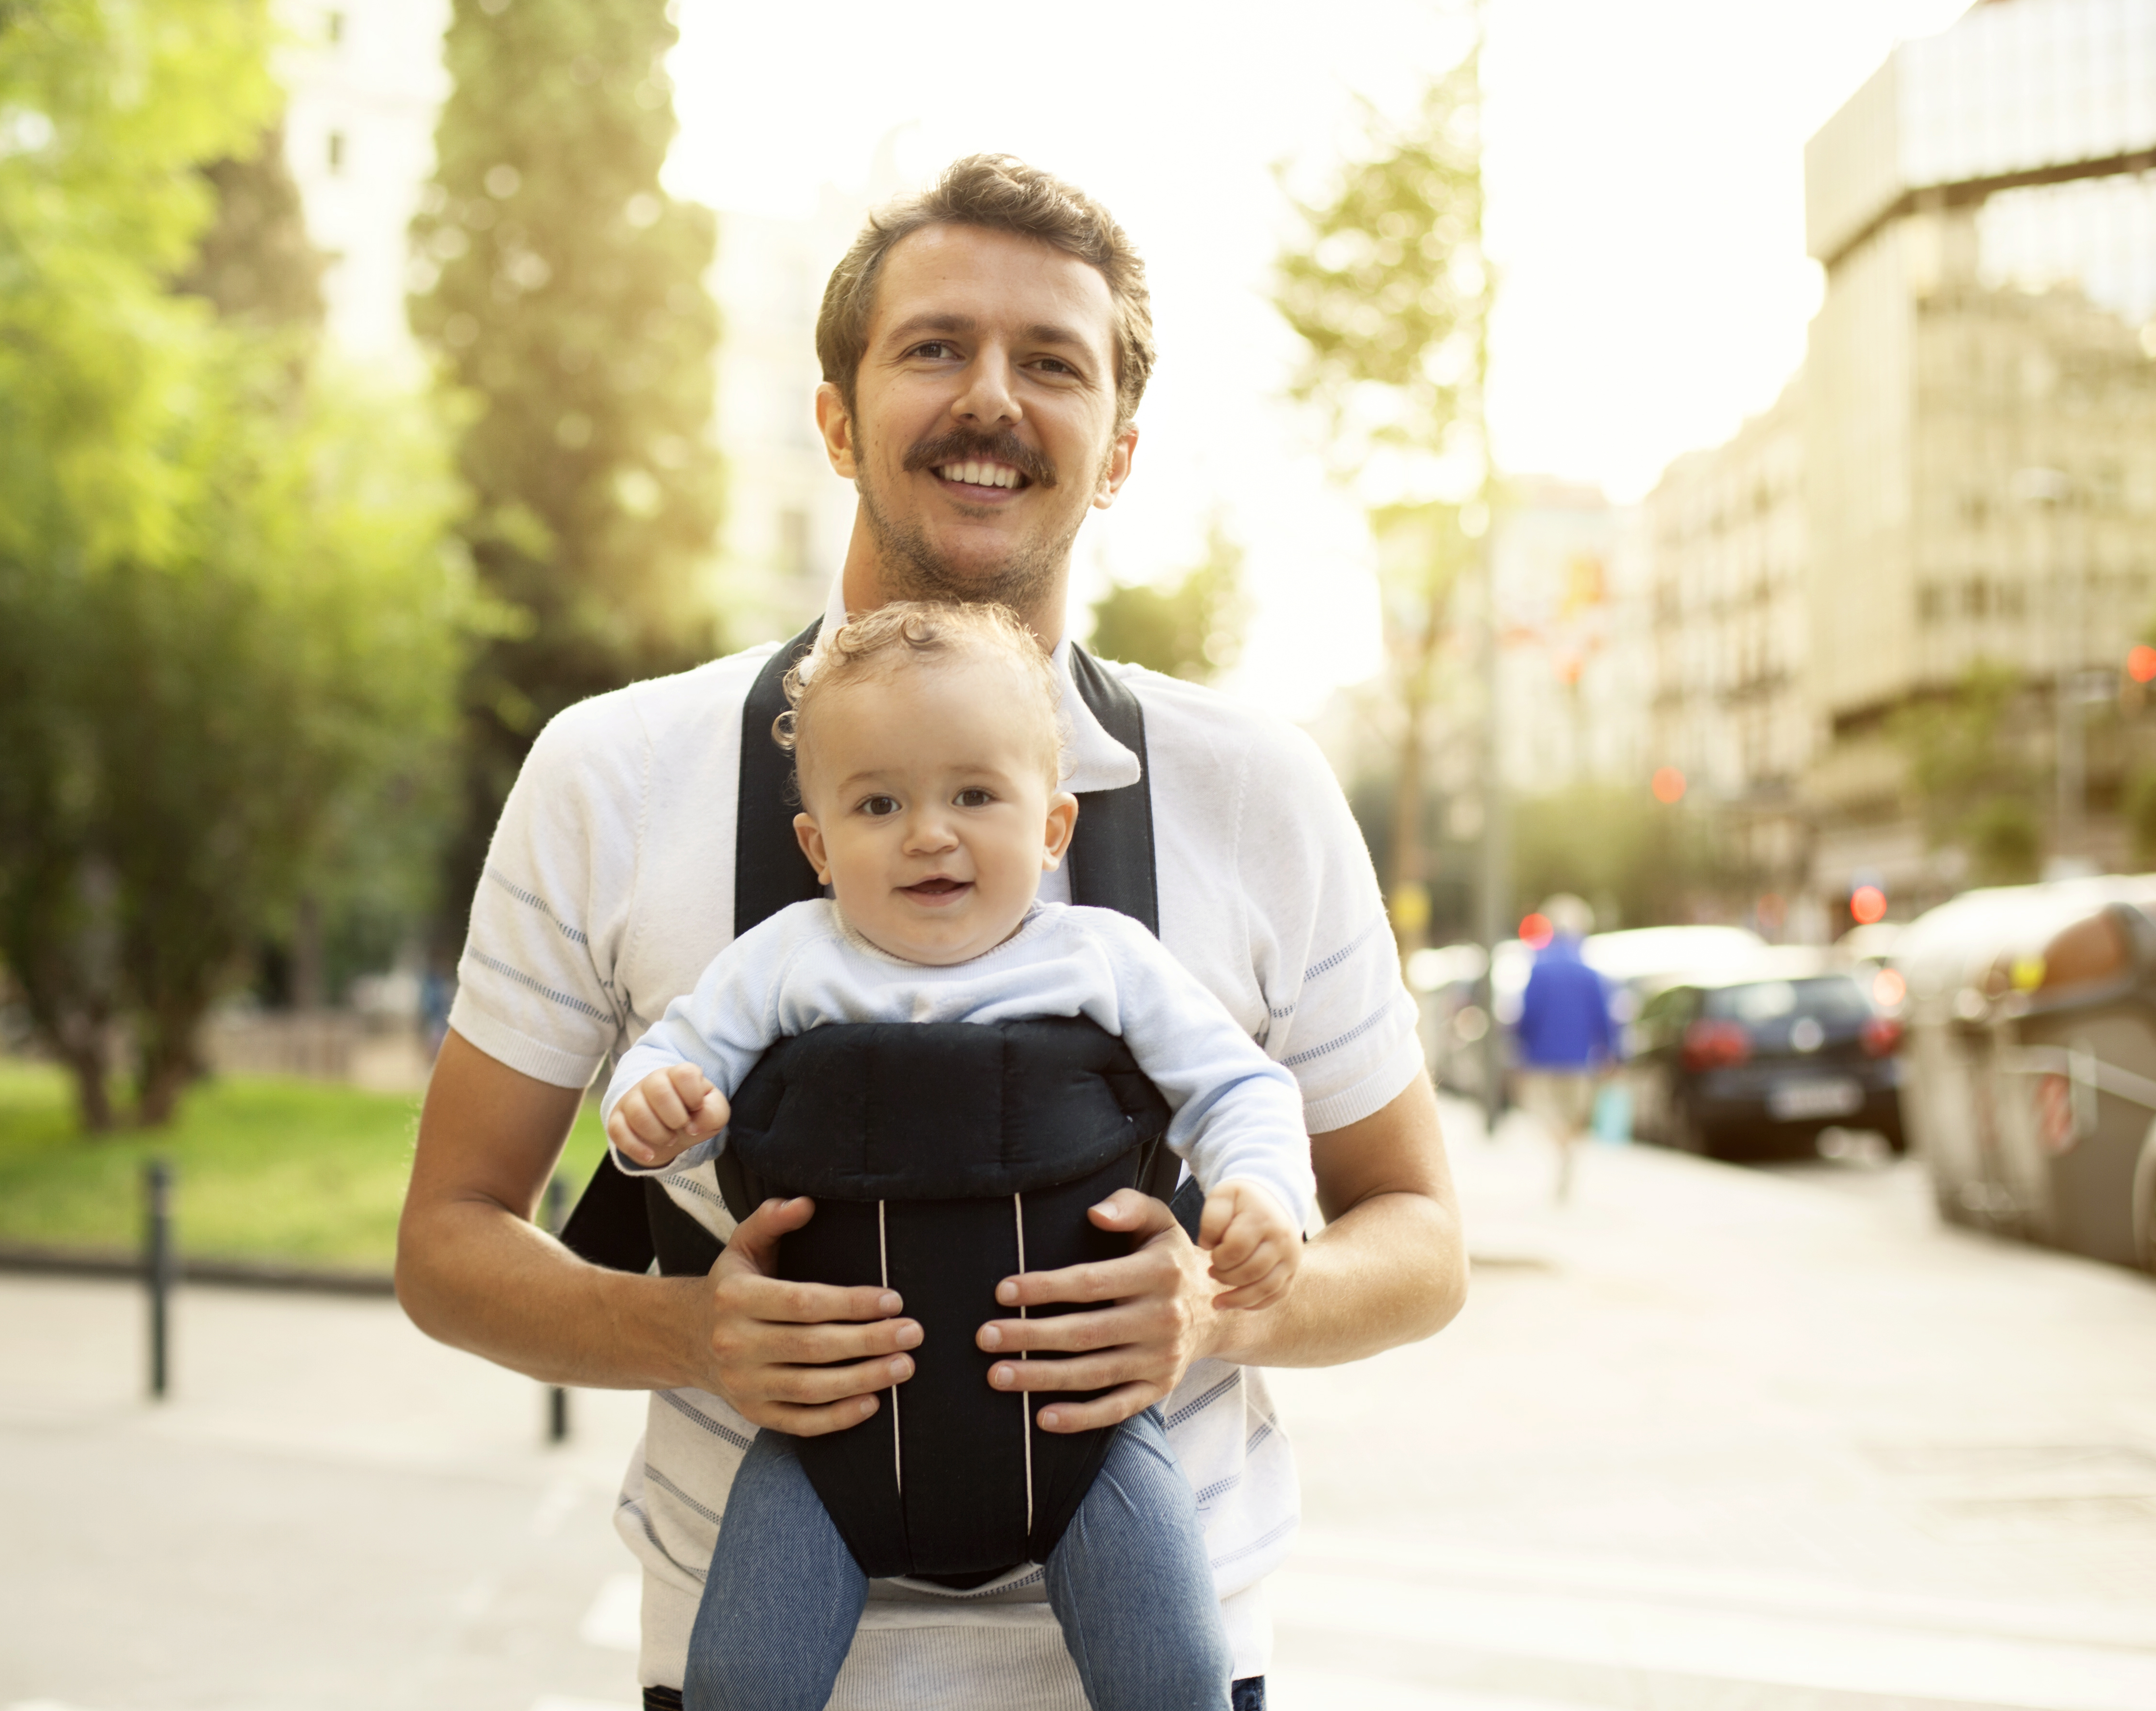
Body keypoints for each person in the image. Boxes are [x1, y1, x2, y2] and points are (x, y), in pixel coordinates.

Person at [395, 154, 1467, 1711]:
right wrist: (696, 1331)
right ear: (832, 419)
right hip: (750, 1651)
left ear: (1115, 451)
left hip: (1167, 1653)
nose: (990, 398)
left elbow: (1419, 1242)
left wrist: (1227, 1299)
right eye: (931, 347)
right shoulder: (613, 771)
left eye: (1051, 363)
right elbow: (447, 1244)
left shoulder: (1255, 788)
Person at [605, 599, 1313, 1711]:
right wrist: (651, 1110)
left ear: (1052, 826)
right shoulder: (785, 961)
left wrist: (1261, 1193)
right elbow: (670, 1058)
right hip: (826, 1432)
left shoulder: (1106, 960)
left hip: (1080, 1432)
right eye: (878, 802)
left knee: (1179, 1678)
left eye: (974, 794)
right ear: (817, 846)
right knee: (738, 1682)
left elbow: (1240, 1087)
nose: (928, 832)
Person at [1512, 894, 1619, 1203]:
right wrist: (1613, 1054)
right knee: (1575, 1116)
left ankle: (1561, 1151)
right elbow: (1605, 1018)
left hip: (1541, 1058)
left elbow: (1527, 1014)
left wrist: (1519, 1046)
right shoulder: (1590, 972)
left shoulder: (1539, 968)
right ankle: (1567, 1152)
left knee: (1544, 1115)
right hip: (1580, 1059)